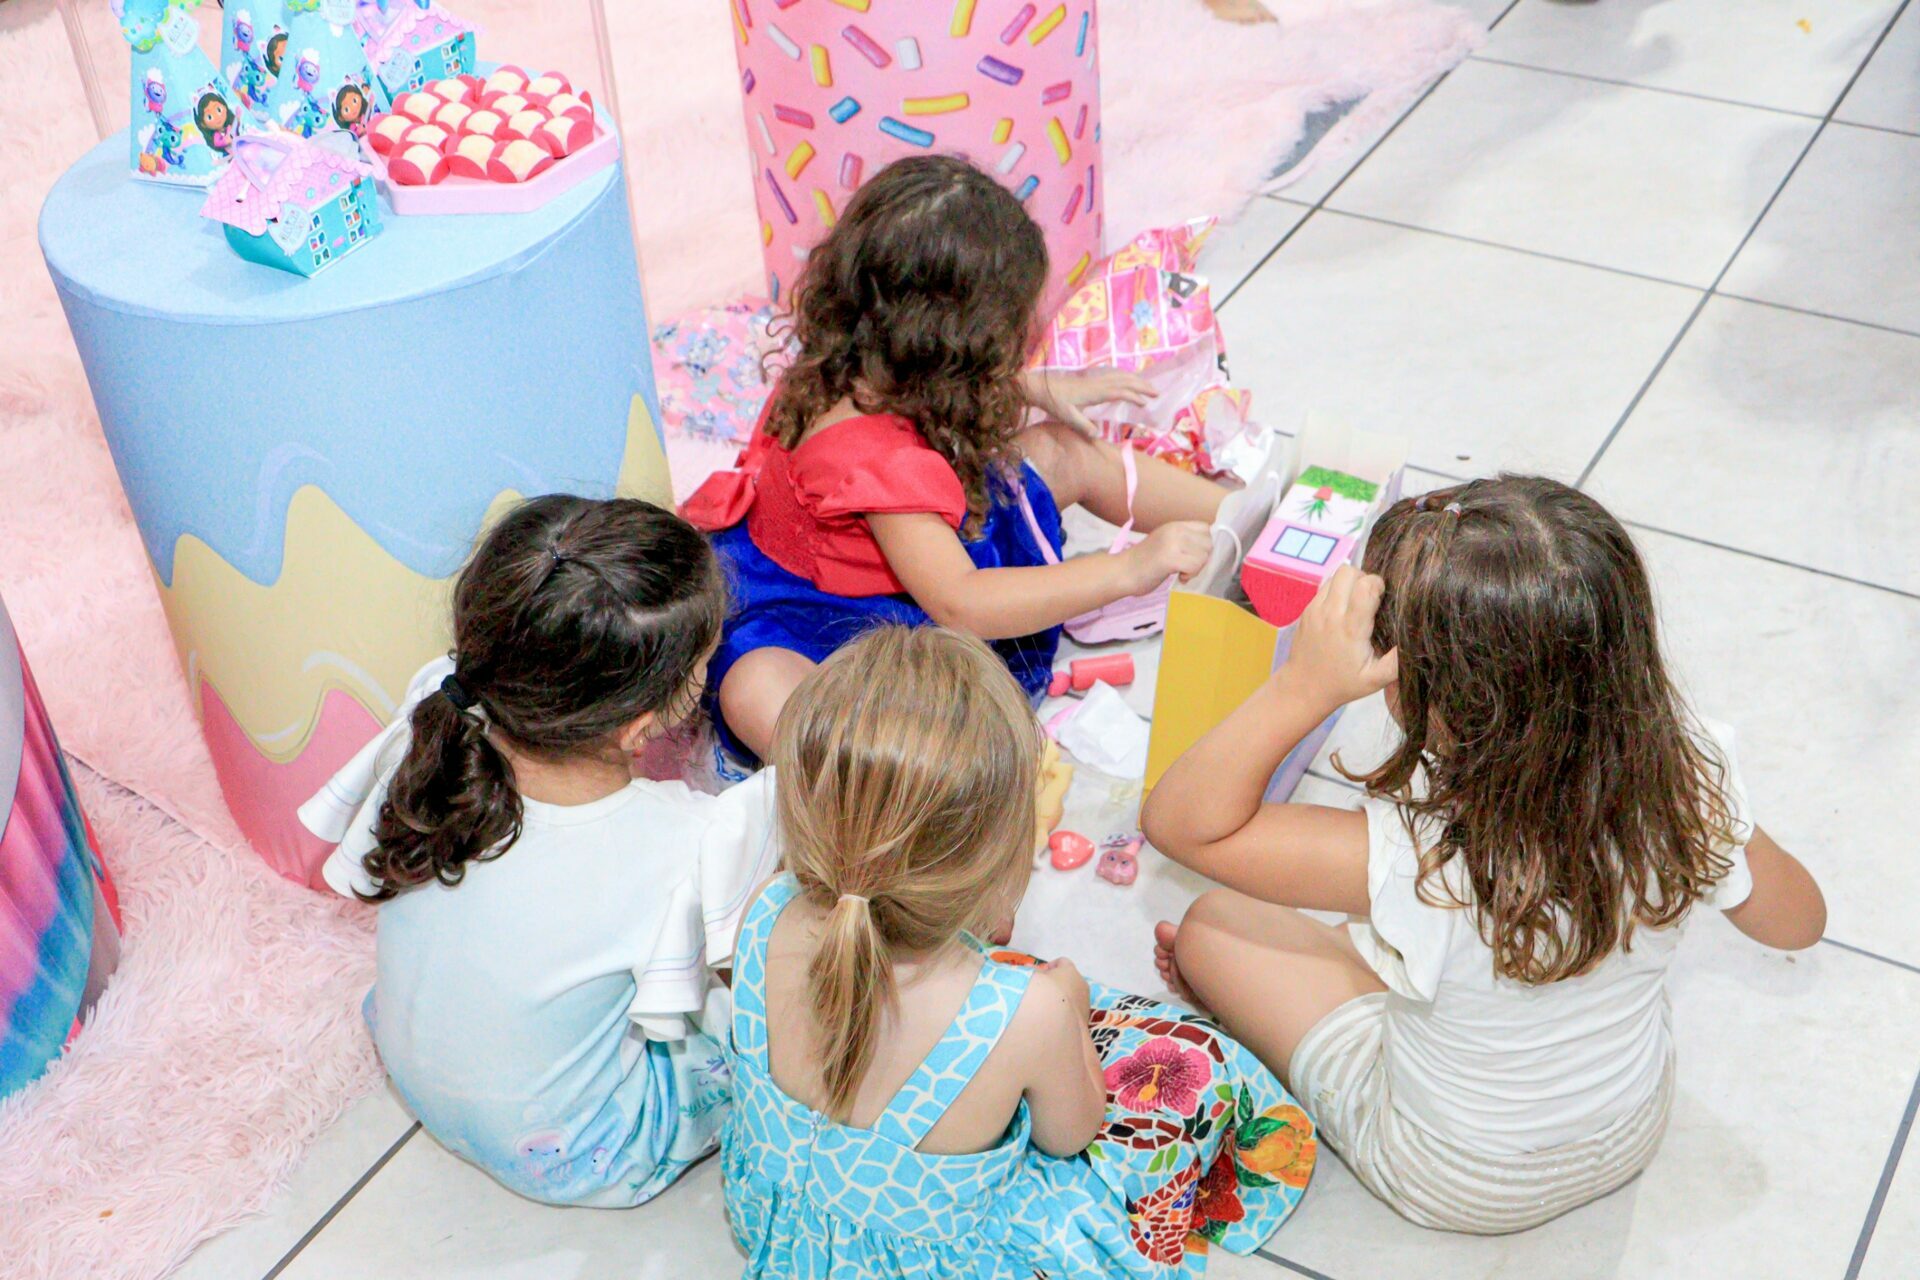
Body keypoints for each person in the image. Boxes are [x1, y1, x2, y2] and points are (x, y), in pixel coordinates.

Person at [1143, 477, 1826, 1233]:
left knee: (1214, 925)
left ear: (1436, 697)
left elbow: (1182, 825)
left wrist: (1301, 689)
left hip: (1458, 1176)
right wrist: (1719, 817)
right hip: (1630, 1128)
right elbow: (1800, 924)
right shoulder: (1685, 774)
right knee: (1423, 944)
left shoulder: (1414, 853)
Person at [722, 626, 1315, 1278]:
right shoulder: (1028, 1009)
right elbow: (1070, 1134)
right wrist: (1071, 1009)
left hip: (787, 1228)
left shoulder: (765, 909)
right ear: (999, 860)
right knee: (1196, 1060)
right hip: (930, 1264)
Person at [685, 155, 1282, 762]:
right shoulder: (881, 467)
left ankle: (1262, 522)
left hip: (913, 555)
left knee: (1067, 450)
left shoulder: (848, 358)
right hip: (864, 624)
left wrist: (1035, 388)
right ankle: (891, 777)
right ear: (958, 346)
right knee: (758, 688)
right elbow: (962, 602)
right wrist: (1129, 569)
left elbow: (921, 403)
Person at [301, 495, 779, 1207]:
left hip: (415, 1071)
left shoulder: (437, 712)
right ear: (639, 728)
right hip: (576, 1153)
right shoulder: (684, 840)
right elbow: (758, 967)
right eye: (705, 664)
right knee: (755, 1017)